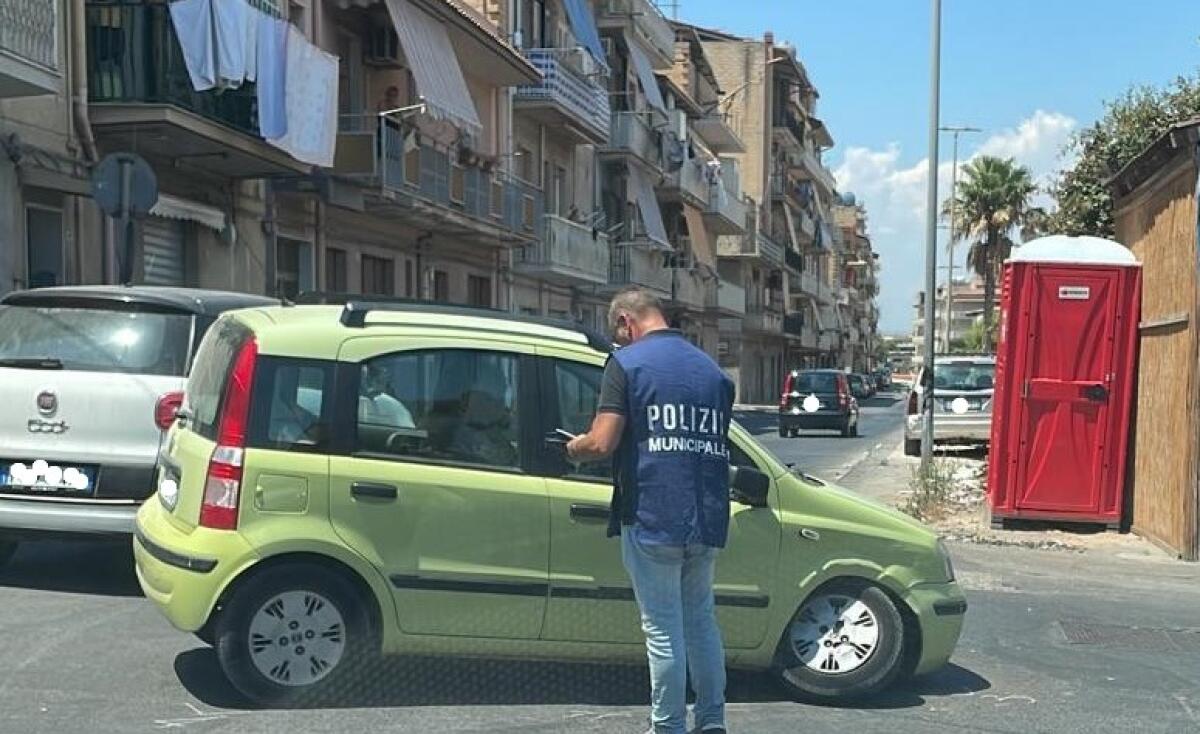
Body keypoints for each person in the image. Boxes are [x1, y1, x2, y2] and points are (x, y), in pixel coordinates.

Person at [567, 287, 735, 734]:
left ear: (627, 321)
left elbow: (602, 442)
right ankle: (712, 721)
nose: (619, 341)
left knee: (662, 629)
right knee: (701, 621)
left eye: (618, 332)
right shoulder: (712, 371)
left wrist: (574, 447)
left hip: (652, 514)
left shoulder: (626, 364)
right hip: (706, 515)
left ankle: (668, 726)